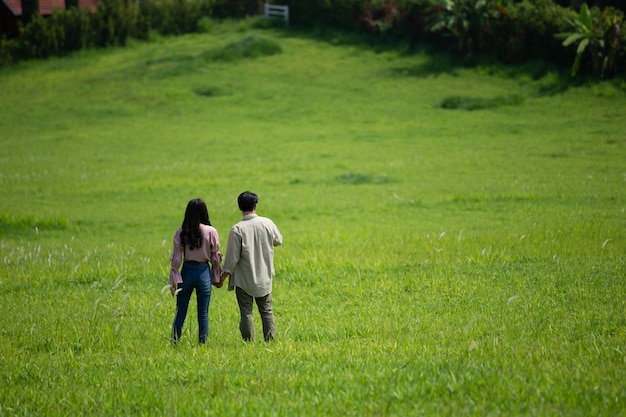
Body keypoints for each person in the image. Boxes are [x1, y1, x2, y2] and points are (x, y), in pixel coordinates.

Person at [221, 191, 283, 342]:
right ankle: (270, 340)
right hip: (264, 277)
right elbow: (279, 240)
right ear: (255, 205)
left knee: (246, 313)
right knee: (266, 311)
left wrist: (222, 277)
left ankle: (249, 342)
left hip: (244, 279)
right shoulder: (267, 223)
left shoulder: (237, 229)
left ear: (239, 207)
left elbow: (231, 259)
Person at [169, 198, 222, 345]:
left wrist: (174, 276)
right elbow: (215, 257)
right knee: (203, 312)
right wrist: (216, 275)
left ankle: (174, 341)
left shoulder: (181, 232)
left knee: (180, 311)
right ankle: (202, 343)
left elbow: (176, 259)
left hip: (186, 271)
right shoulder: (211, 231)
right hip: (203, 271)